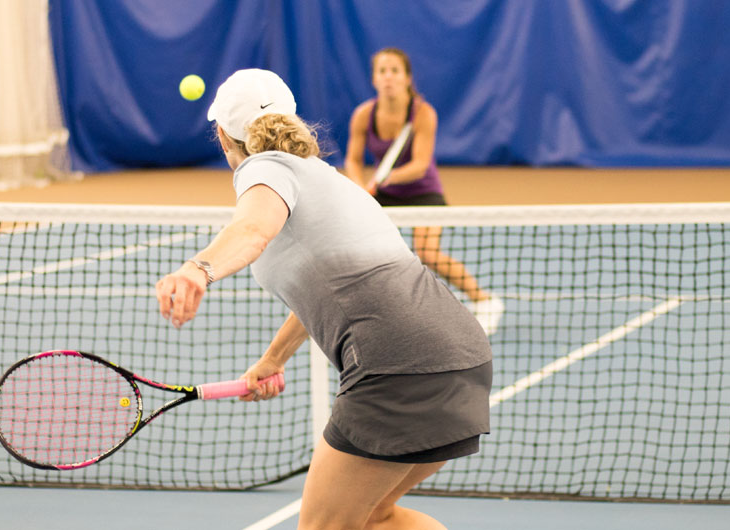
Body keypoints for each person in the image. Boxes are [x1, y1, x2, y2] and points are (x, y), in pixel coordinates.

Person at [155, 69, 493, 530]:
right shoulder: (327, 181)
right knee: (376, 516)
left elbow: (252, 229)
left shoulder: (264, 167)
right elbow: (329, 291)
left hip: (397, 366)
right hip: (461, 355)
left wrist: (198, 268)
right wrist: (273, 359)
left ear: (222, 136)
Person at [343, 47, 504, 336]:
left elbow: (419, 165)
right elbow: (353, 161)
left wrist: (385, 178)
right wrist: (359, 187)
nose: (388, 77)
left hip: (423, 192)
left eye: (395, 71)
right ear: (374, 79)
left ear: (407, 78)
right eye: (382, 71)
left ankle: (486, 301)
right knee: (358, 247)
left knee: (427, 253)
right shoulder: (363, 115)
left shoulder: (422, 114)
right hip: (384, 194)